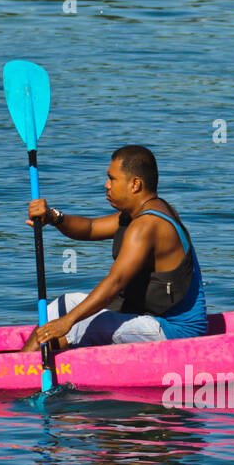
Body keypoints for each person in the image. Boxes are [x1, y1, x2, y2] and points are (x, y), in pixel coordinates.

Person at [20, 145, 208, 352]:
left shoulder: (147, 225)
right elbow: (90, 229)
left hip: (176, 332)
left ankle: (18, 373)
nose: (106, 185)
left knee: (78, 324)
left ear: (135, 184)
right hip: (148, 318)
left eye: (112, 178)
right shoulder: (139, 213)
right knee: (63, 305)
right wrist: (53, 217)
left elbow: (115, 283)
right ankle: (21, 365)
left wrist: (68, 322)